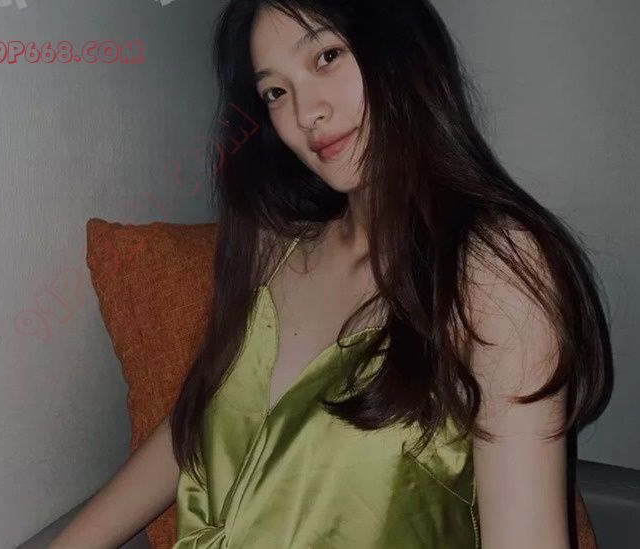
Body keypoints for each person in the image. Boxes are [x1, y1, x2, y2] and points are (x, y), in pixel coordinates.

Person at [49, 1, 610, 548]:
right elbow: (195, 422)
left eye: (326, 57)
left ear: (400, 46)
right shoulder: (276, 248)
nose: (304, 113)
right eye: (275, 92)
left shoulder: (492, 272)